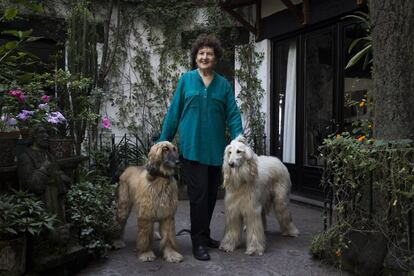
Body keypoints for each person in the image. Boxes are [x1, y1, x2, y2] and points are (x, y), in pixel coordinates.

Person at [158, 34, 243, 261]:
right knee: (197, 196)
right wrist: (164, 140)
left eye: (209, 54)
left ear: (215, 58)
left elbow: (233, 114)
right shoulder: (186, 80)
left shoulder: (223, 84)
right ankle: (197, 242)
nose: (205, 57)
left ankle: (204, 235)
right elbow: (174, 112)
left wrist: (238, 137)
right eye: (201, 53)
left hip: (216, 150)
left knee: (210, 196)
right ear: (196, 57)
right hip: (192, 148)